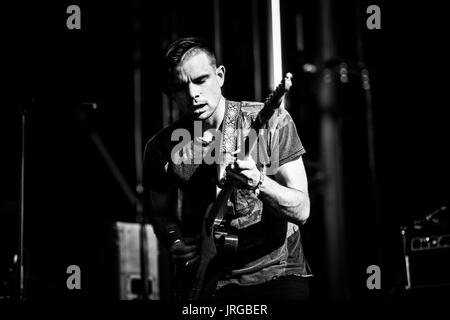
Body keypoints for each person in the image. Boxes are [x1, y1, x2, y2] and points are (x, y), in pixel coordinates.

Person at [143, 37, 312, 300]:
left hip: (276, 275)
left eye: (200, 80)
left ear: (220, 76)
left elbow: (302, 210)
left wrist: (259, 182)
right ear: (171, 93)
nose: (192, 94)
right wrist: (174, 240)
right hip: (206, 282)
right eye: (180, 87)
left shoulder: (271, 121)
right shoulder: (161, 148)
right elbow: (162, 213)